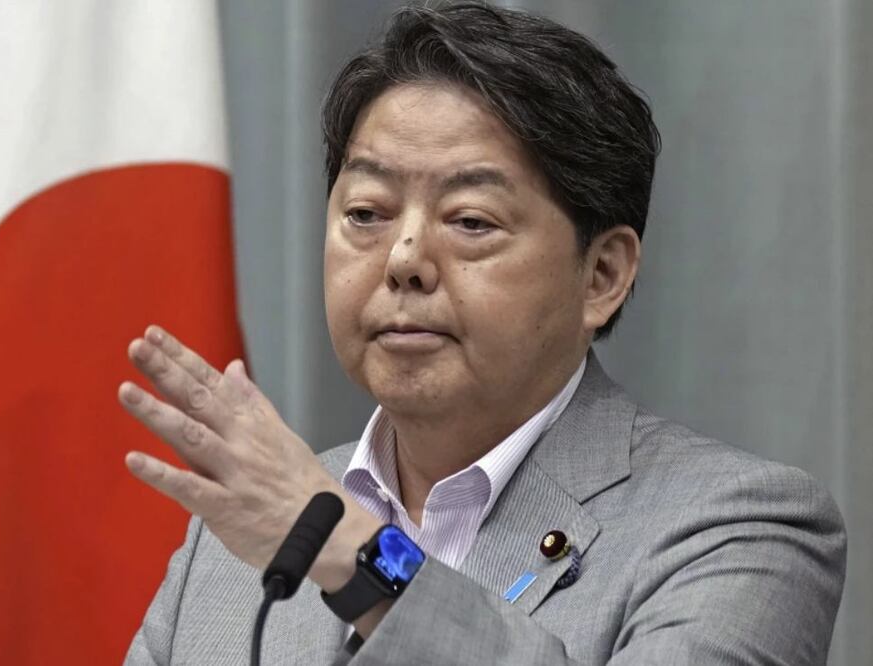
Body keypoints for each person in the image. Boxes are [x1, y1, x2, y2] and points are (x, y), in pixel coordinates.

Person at [117, 3, 846, 664]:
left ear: (601, 275)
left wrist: (351, 549)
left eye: (469, 221)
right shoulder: (227, 548)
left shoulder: (736, 528)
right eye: (366, 213)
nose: (403, 259)